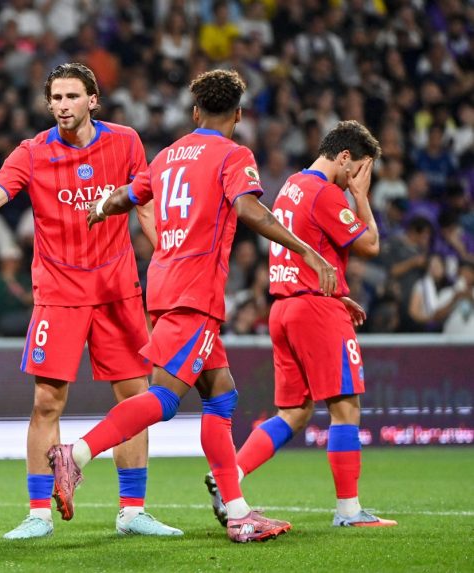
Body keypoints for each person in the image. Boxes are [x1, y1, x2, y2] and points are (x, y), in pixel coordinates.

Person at [47, 69, 337, 543]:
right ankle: (76, 454)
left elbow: (126, 196)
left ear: (196, 111)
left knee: (221, 396)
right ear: (238, 115)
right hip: (195, 293)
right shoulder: (234, 154)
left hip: (164, 284)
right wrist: (306, 248)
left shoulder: (168, 155)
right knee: (163, 399)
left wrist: (101, 208)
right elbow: (247, 208)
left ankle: (238, 509)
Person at [0, 63, 181, 539]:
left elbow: (144, 204)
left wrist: (167, 254)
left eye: (72, 97)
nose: (62, 106)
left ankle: (132, 511)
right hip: (59, 294)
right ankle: (38, 513)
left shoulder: (125, 142)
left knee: (135, 397)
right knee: (46, 403)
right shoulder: (32, 152)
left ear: (93, 100)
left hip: (118, 291)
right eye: (55, 98)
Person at [227, 120, 397, 528]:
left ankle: (228, 478)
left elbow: (307, 245)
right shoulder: (325, 192)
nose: (358, 178)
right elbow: (371, 246)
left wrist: (337, 291)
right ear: (344, 158)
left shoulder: (293, 184)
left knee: (294, 413)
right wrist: (361, 197)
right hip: (315, 311)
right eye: (360, 169)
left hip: (284, 308)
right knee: (345, 409)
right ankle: (349, 511)